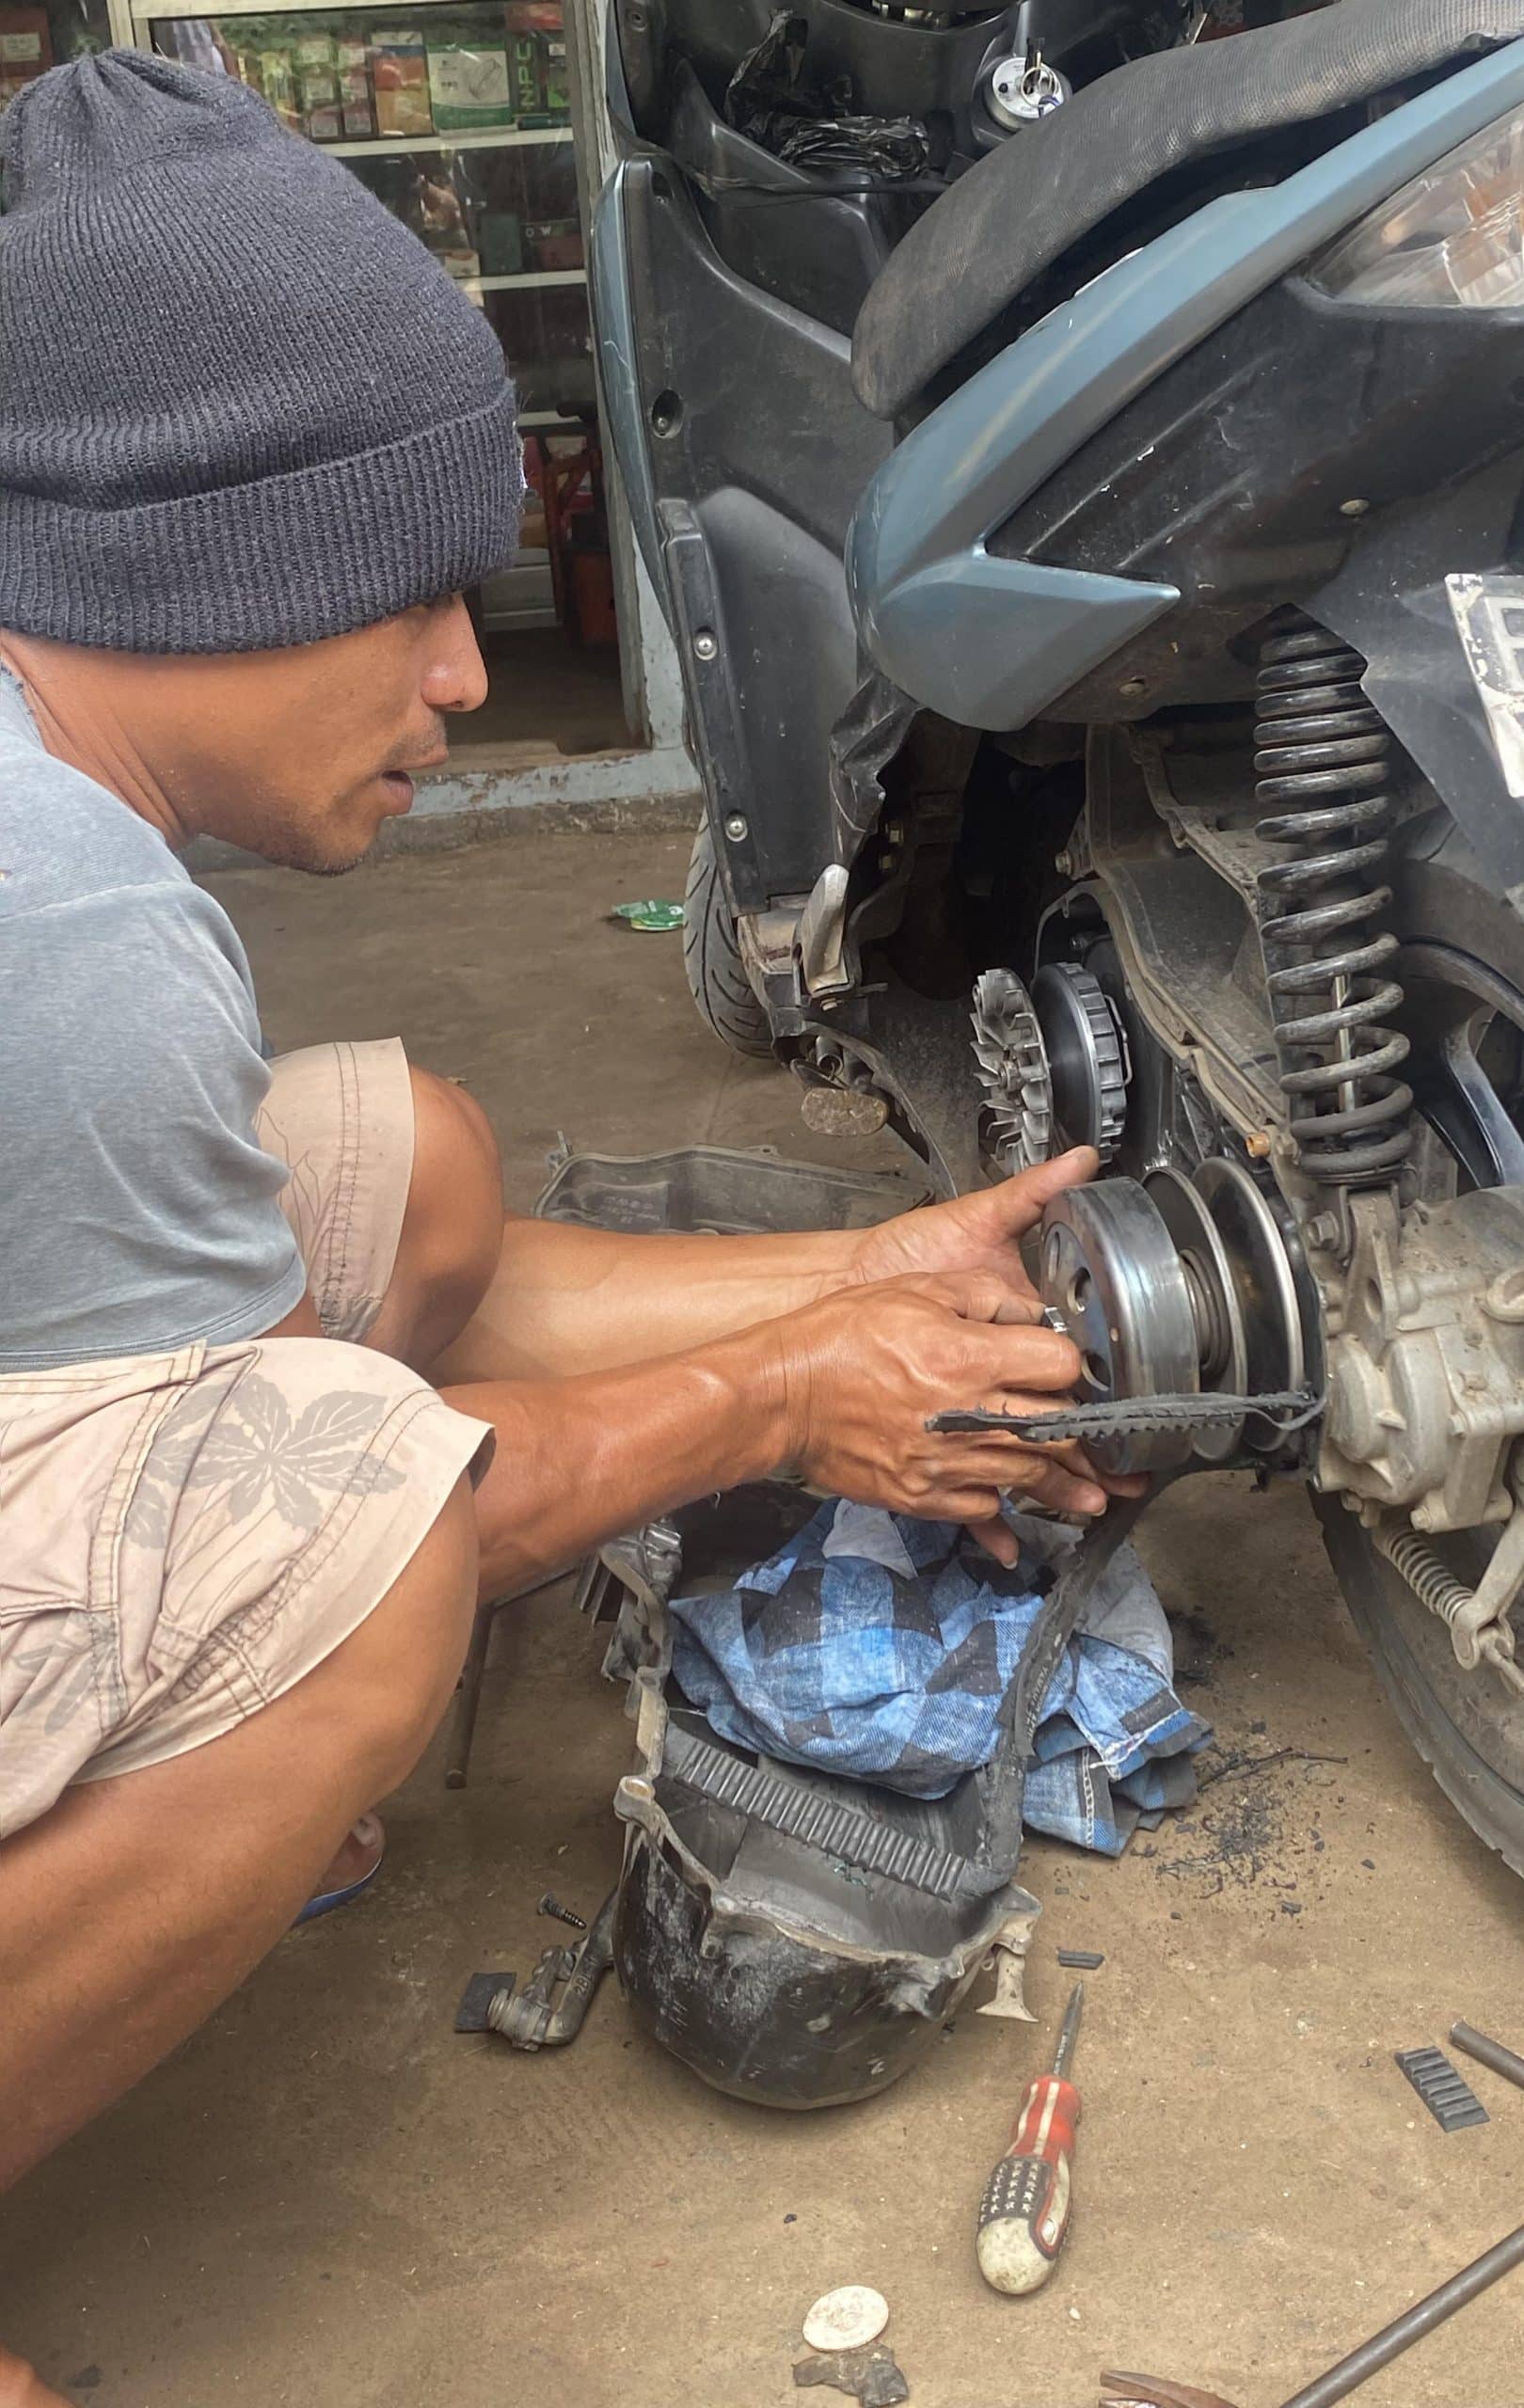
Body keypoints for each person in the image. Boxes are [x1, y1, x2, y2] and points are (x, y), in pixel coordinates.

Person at [0, 56, 1128, 2403]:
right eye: (407, 596)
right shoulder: (65, 931)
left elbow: (319, 1318)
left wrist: (866, 1276)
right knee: (374, 1559)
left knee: (407, 1163)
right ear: (201, 557)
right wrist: (782, 1410)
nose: (457, 674)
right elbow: (338, 1463)